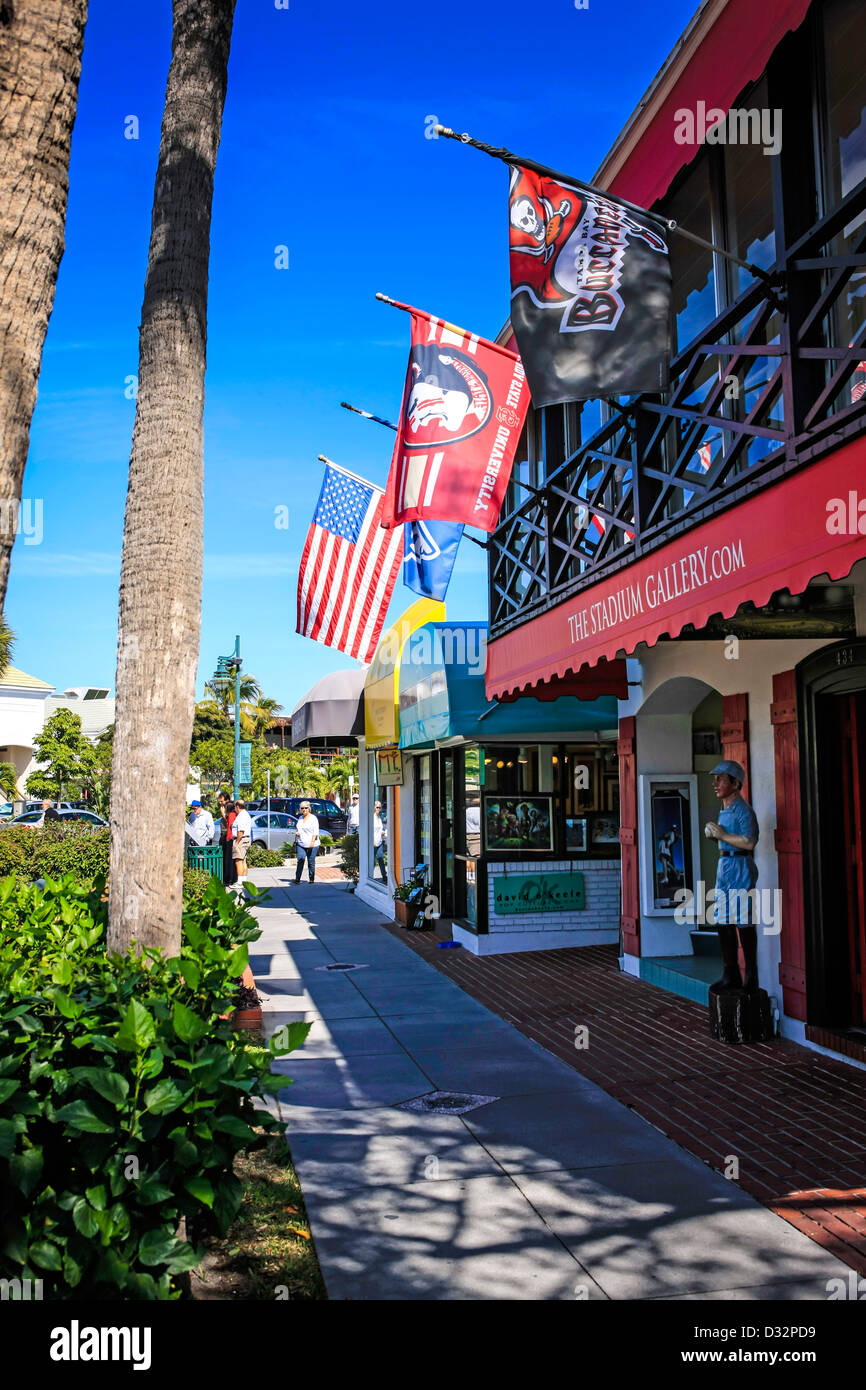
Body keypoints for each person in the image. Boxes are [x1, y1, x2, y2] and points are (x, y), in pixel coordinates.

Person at [704, 760, 760, 992]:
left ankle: (751, 975)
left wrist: (723, 835)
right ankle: (730, 972)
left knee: (743, 919)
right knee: (722, 918)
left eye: (721, 779)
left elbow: (749, 840)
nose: (716, 783)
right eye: (715, 778)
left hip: (740, 865)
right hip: (725, 864)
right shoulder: (726, 809)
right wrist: (716, 836)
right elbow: (728, 837)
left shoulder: (743, 810)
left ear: (735, 783)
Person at [295, 800, 320, 883]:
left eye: (306, 808)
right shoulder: (300, 818)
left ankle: (311, 878)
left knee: (311, 861)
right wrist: (298, 833)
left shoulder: (313, 818)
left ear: (309, 808)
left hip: (312, 844)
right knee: (301, 859)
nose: (304, 809)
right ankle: (297, 879)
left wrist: (312, 842)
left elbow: (315, 831)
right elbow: (299, 829)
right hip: (301, 843)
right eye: (302, 808)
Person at [232, 798, 252, 891]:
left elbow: (241, 830)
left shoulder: (241, 816)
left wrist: (236, 842)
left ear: (237, 807)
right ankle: (243, 881)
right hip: (246, 839)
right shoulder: (246, 814)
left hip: (241, 840)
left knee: (238, 861)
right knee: (243, 860)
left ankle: (239, 882)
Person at [219, 793, 237, 887]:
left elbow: (229, 823)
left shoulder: (230, 810)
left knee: (229, 859)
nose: (220, 803)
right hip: (225, 836)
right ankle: (226, 877)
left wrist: (223, 814)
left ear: (227, 800)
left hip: (228, 837)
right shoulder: (225, 808)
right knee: (225, 858)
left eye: (222, 801)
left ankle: (229, 879)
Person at [372, 799, 387, 882]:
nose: (378, 809)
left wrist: (383, 832)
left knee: (381, 858)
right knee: (373, 861)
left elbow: (379, 829)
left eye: (379, 808)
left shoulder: (379, 818)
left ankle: (384, 875)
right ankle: (370, 876)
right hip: (374, 842)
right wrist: (373, 841)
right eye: (377, 807)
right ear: (374, 808)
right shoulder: (372, 818)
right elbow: (371, 830)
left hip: (380, 841)